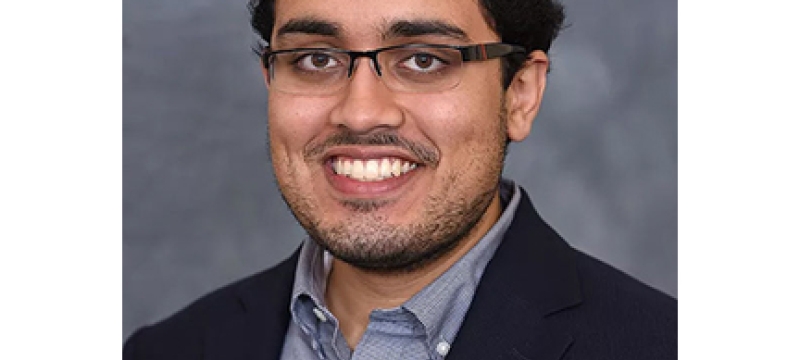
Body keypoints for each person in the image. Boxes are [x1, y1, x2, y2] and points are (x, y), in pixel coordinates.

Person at [123, 0, 677, 358]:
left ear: (520, 95)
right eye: (315, 59)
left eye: (424, 60)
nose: (360, 113)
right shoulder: (169, 350)